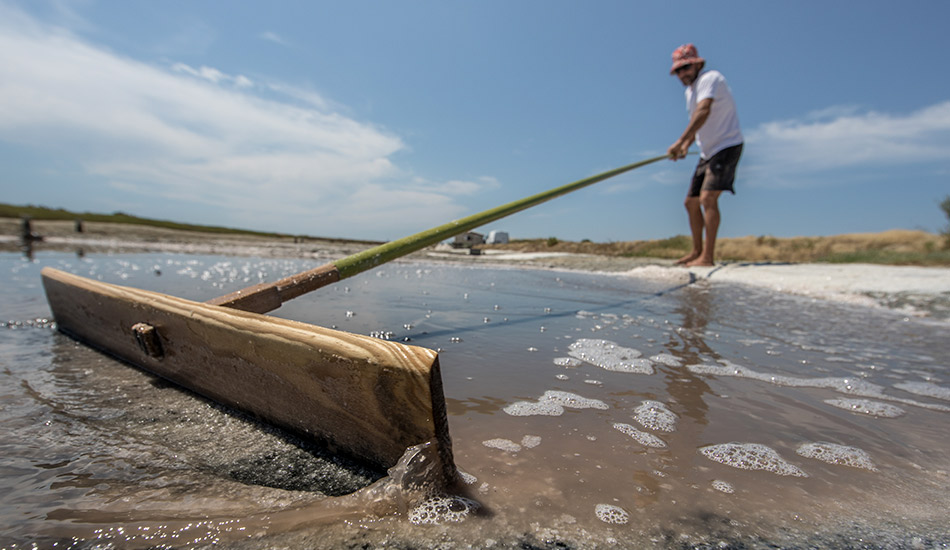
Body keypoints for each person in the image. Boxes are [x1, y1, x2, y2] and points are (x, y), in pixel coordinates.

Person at [667, 44, 743, 267]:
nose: (683, 74)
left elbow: (704, 111)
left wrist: (681, 141)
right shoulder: (689, 92)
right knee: (690, 202)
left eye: (687, 68)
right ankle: (696, 251)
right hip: (707, 151)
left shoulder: (710, 78)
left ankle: (707, 257)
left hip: (727, 145)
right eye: (679, 71)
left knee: (707, 198)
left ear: (698, 64)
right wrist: (686, 146)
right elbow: (698, 123)